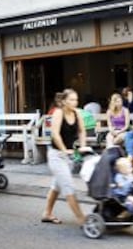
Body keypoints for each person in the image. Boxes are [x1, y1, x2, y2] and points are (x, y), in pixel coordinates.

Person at [42, 89, 86, 226]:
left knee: (57, 186)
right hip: (56, 155)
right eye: (72, 100)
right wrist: (63, 150)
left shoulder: (77, 113)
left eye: (76, 100)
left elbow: (82, 131)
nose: (75, 102)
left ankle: (47, 214)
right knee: (68, 186)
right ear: (64, 101)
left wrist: (83, 147)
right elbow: (55, 134)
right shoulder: (58, 113)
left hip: (68, 155)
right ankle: (82, 219)